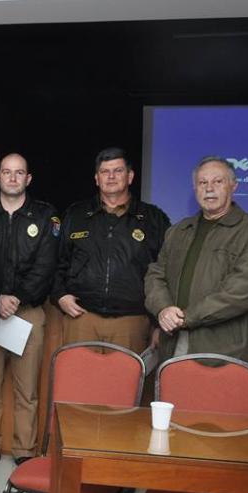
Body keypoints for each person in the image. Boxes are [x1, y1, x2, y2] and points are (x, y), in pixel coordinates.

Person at [0, 153, 58, 470]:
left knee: (27, 390)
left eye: (19, 173)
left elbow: (46, 267)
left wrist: (15, 296)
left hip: (28, 312)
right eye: (7, 172)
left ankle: (24, 450)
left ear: (28, 179)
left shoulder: (45, 216)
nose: (13, 178)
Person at [145, 156, 248, 364]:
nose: (209, 188)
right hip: (174, 344)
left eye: (218, 181)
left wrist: (184, 318)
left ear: (234, 186)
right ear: (195, 188)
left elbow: (241, 292)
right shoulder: (178, 231)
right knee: (174, 395)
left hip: (224, 353)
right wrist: (162, 309)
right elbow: (156, 275)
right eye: (202, 183)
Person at [51, 147, 170, 354]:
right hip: (82, 318)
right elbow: (57, 261)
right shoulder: (76, 215)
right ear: (97, 178)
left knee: (123, 386)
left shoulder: (153, 218)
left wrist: (159, 321)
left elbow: (167, 271)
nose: (111, 177)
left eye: (118, 171)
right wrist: (60, 295)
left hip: (131, 321)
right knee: (79, 384)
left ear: (130, 176)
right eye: (105, 172)